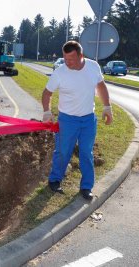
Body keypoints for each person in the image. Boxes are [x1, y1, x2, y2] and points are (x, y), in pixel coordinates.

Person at [42, 40, 113, 201]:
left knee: (86, 153)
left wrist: (107, 107)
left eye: (71, 59)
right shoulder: (60, 72)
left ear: (81, 56)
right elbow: (47, 93)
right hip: (67, 120)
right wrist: (47, 111)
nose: (67, 62)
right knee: (63, 151)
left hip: (88, 119)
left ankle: (86, 186)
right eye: (65, 59)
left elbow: (101, 86)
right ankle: (55, 180)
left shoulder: (93, 66)